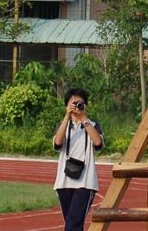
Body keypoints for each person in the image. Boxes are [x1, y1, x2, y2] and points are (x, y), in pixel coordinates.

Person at [52, 88, 104, 231]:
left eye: (80, 104)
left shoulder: (92, 125)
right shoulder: (63, 125)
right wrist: (67, 117)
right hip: (64, 182)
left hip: (85, 182)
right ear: (67, 105)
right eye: (73, 103)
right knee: (72, 224)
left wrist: (83, 119)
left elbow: (98, 143)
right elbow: (57, 143)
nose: (77, 107)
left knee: (73, 224)